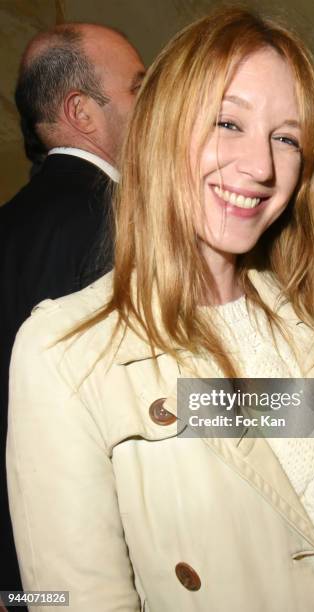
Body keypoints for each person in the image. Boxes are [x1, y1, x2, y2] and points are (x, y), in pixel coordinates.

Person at [7, 9, 314, 611]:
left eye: (286, 137)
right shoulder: (65, 352)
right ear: (162, 128)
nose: (260, 166)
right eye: (228, 121)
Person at [0, 23, 145, 604]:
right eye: (139, 87)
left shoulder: (10, 221)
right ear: (82, 113)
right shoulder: (125, 229)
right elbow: (174, 408)